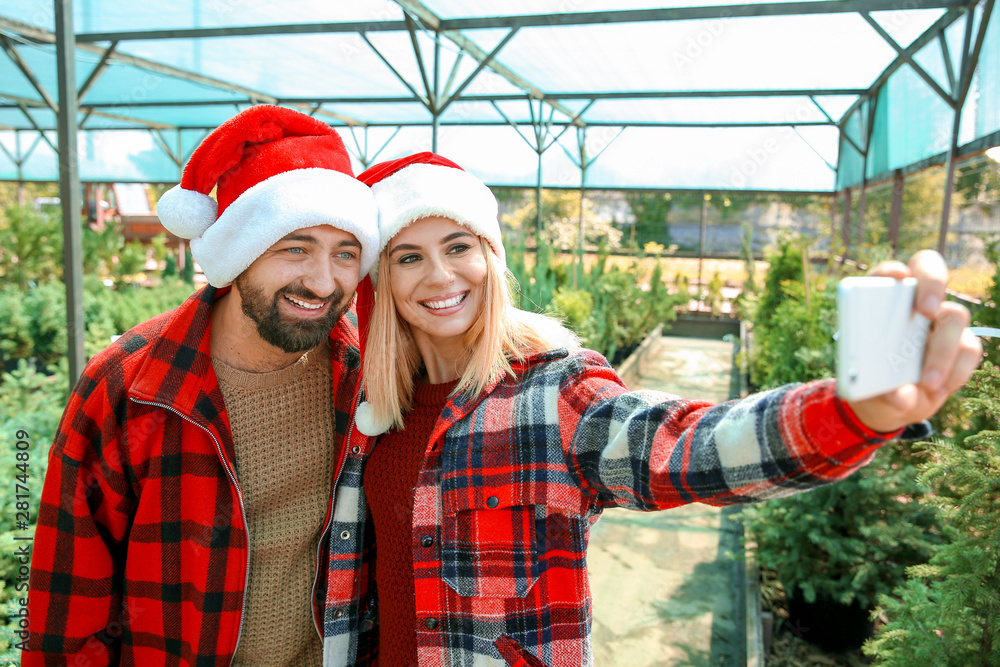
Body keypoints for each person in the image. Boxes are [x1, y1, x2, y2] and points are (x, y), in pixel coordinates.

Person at [319, 152, 983, 666]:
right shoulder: (377, 410)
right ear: (385, 279)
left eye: (458, 246)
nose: (439, 276)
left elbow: (688, 447)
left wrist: (851, 412)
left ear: (491, 258)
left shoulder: (551, 395)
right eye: (409, 256)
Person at [23, 105, 379, 666]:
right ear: (238, 253)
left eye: (345, 254)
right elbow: (67, 602)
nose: (322, 279)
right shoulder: (130, 385)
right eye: (295, 247)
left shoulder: (366, 377)